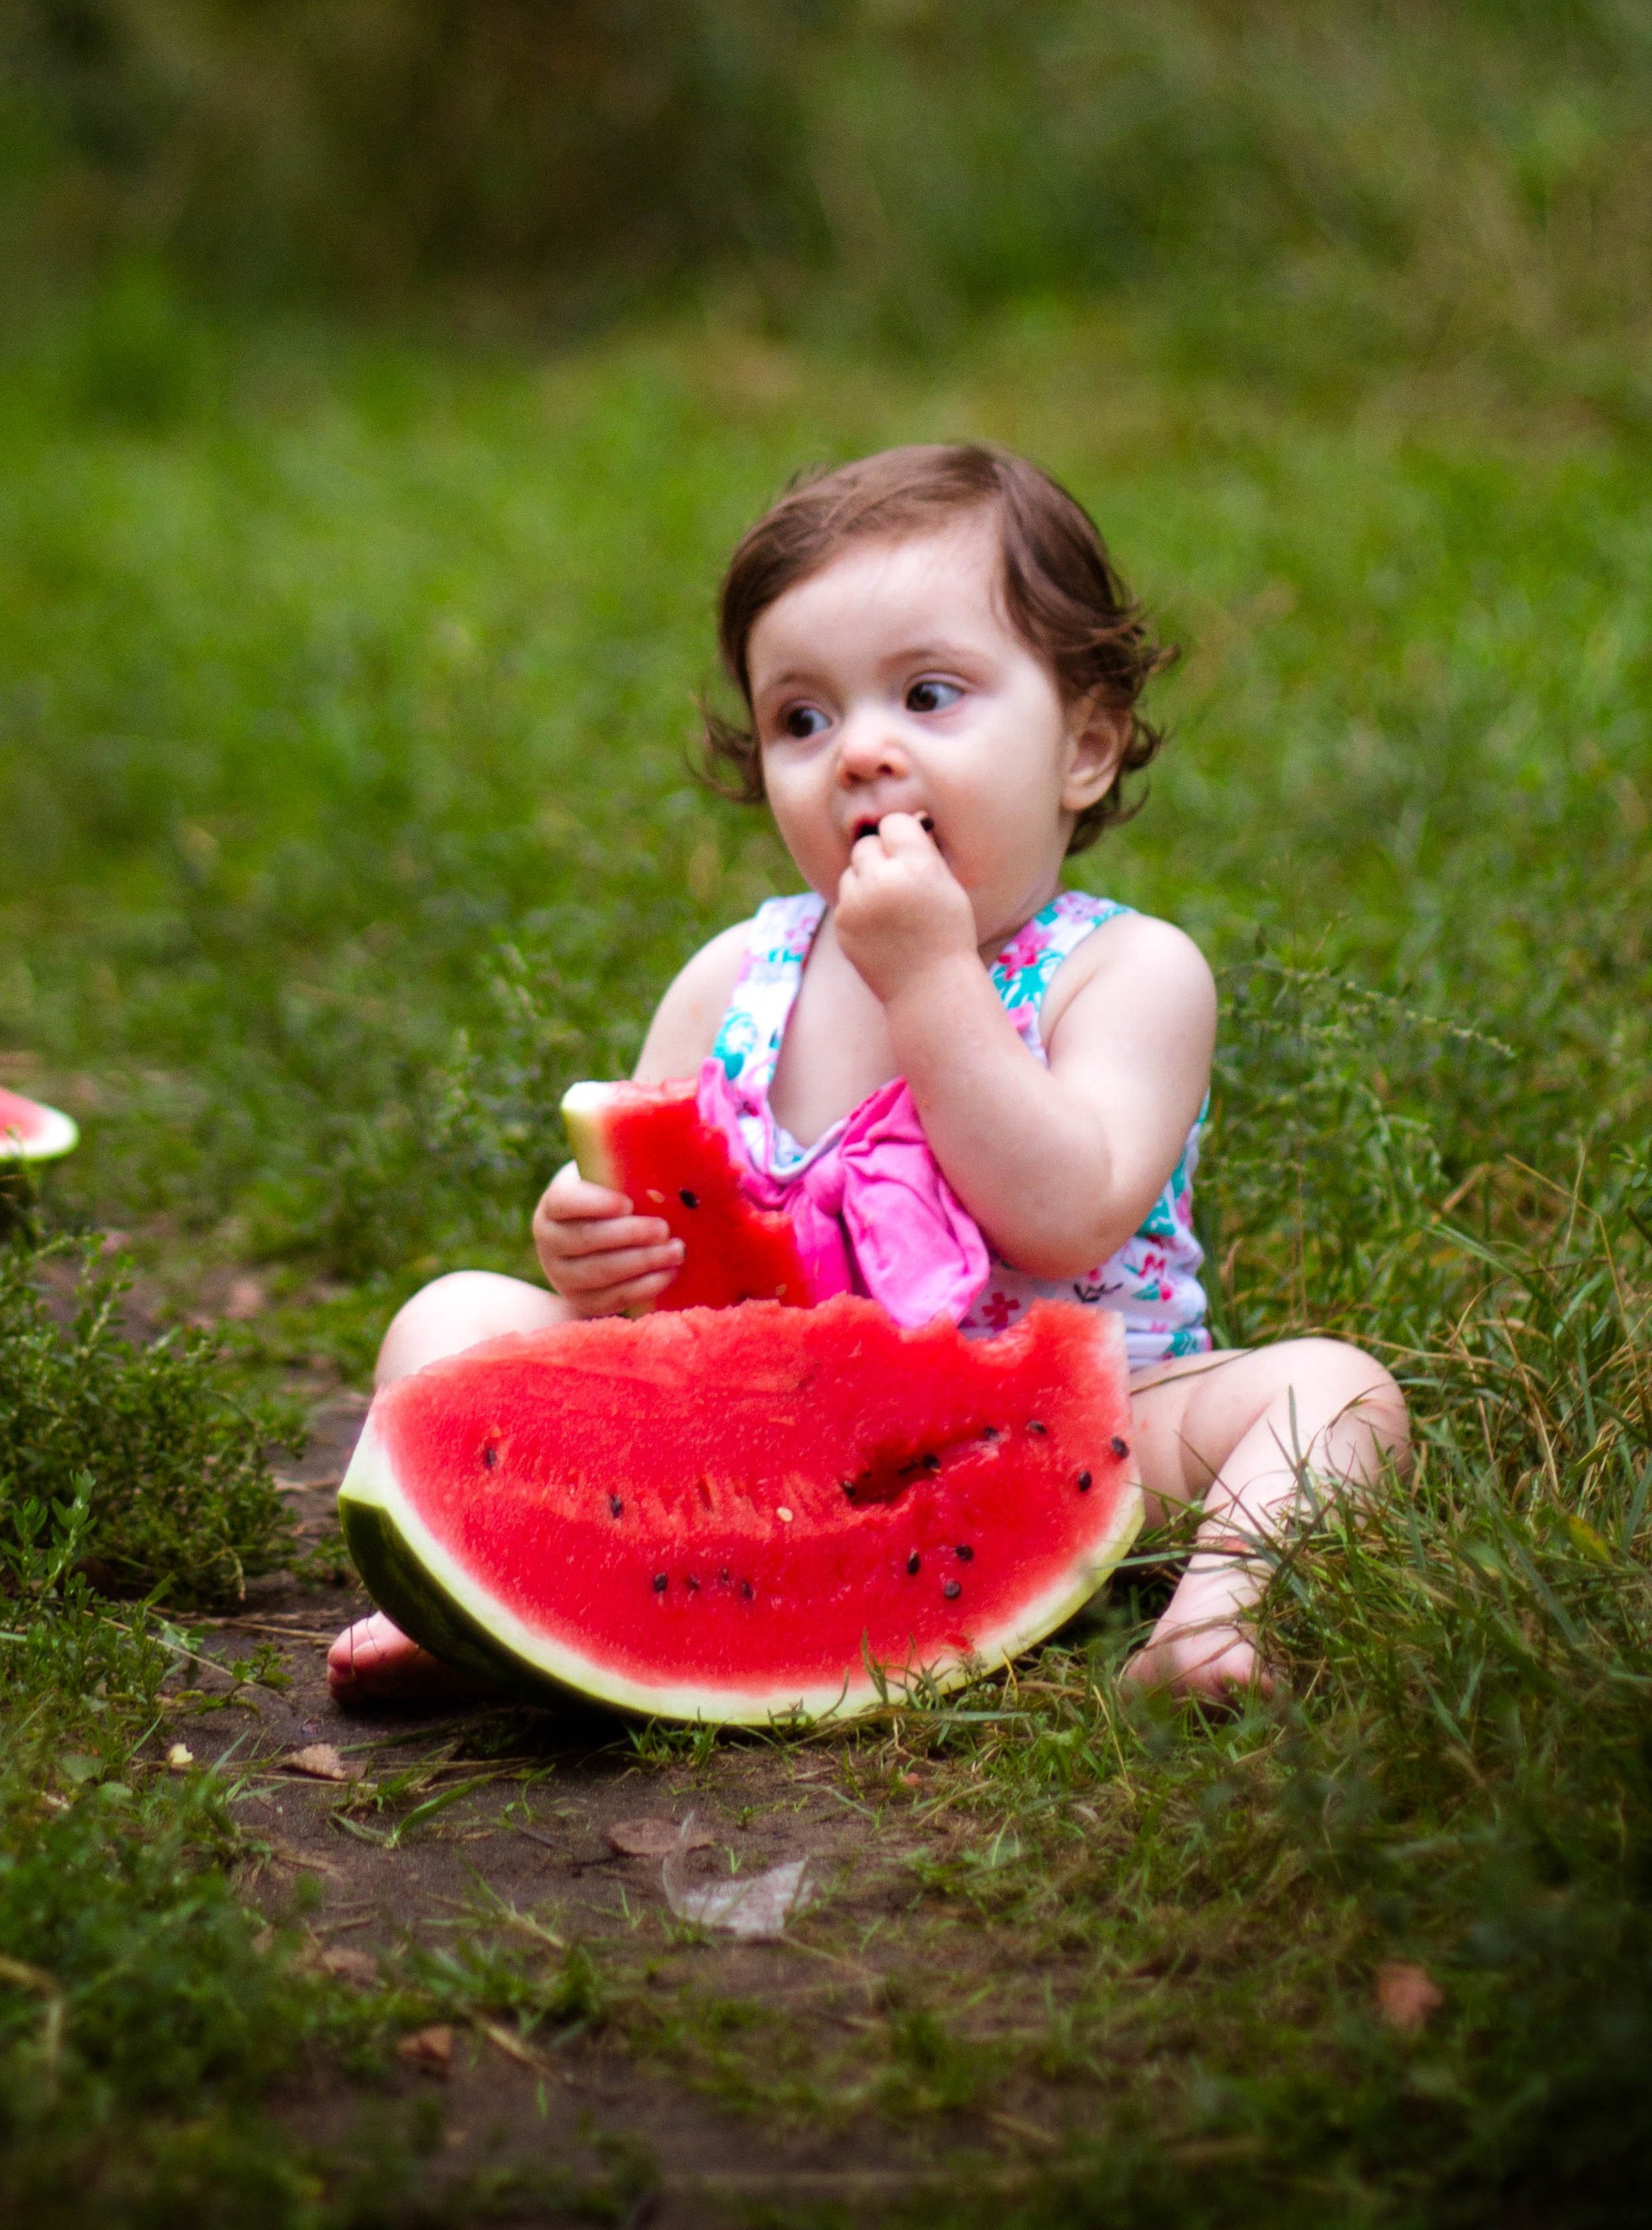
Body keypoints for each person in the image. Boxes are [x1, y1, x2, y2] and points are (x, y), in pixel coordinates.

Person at [329, 442, 1407, 1707]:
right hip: (755, 1440)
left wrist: (933, 982)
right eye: (803, 716)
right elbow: (660, 1265)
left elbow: (1063, 1214)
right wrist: (585, 1246)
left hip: (1063, 1430)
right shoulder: (738, 977)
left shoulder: (1124, 973)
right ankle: (471, 1593)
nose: (859, 752)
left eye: (930, 694)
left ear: (1086, 749)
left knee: (1334, 1390)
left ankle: (1215, 1625)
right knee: (451, 1318)